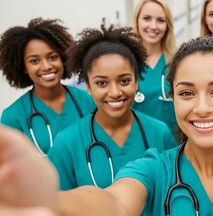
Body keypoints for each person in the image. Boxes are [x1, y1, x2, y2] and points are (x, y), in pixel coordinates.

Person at [0, 37, 213, 216]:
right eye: (186, 93)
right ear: (173, 98)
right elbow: (111, 203)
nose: (202, 107)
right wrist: (48, 202)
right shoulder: (152, 168)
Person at [47, 25, 177, 190]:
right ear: (88, 86)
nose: (115, 92)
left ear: (136, 81)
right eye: (102, 83)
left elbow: (175, 194)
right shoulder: (67, 144)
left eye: (124, 81)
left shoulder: (159, 133)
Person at [0, 18, 95, 156]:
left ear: (63, 58)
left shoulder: (89, 102)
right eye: (34, 61)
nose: (46, 66)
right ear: (24, 67)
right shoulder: (13, 117)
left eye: (52, 57)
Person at [130, 0, 177, 131]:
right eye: (147, 18)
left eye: (160, 20)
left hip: (172, 143)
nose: (153, 26)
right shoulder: (126, 62)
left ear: (167, 25)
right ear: (137, 21)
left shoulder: (178, 61)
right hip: (136, 140)